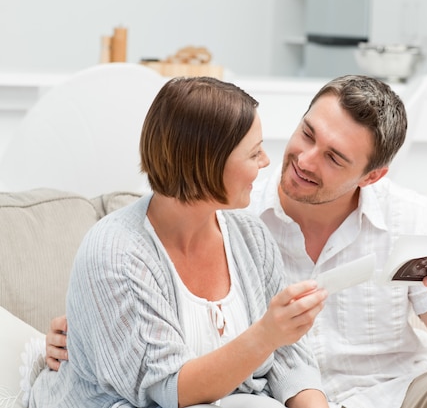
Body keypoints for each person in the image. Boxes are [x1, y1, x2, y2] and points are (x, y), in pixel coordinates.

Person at [45, 75, 427, 408]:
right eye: (306, 133)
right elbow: (140, 323)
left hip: (390, 391)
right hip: (274, 398)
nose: (299, 160)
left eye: (335, 158)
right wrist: (88, 332)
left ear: (373, 176)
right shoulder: (237, 208)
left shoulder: (408, 218)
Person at [30, 76, 329, 408]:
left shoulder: (251, 238)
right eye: (254, 152)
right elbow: (169, 388)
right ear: (207, 163)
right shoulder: (115, 254)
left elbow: (291, 360)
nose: (265, 162)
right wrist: (266, 334)